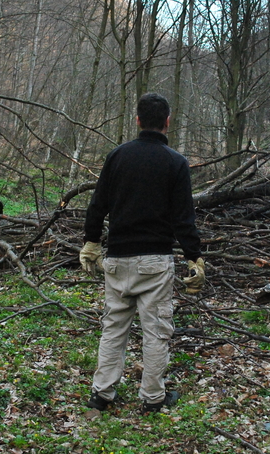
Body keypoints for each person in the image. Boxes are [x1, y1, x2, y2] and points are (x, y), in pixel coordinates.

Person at [79, 93, 205, 415]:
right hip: (154, 262)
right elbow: (183, 218)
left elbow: (97, 205)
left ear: (137, 120)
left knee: (113, 329)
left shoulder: (117, 156)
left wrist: (91, 242)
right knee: (156, 332)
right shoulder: (175, 162)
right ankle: (152, 398)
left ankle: (102, 395)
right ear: (167, 121)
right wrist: (194, 257)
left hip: (117, 259)